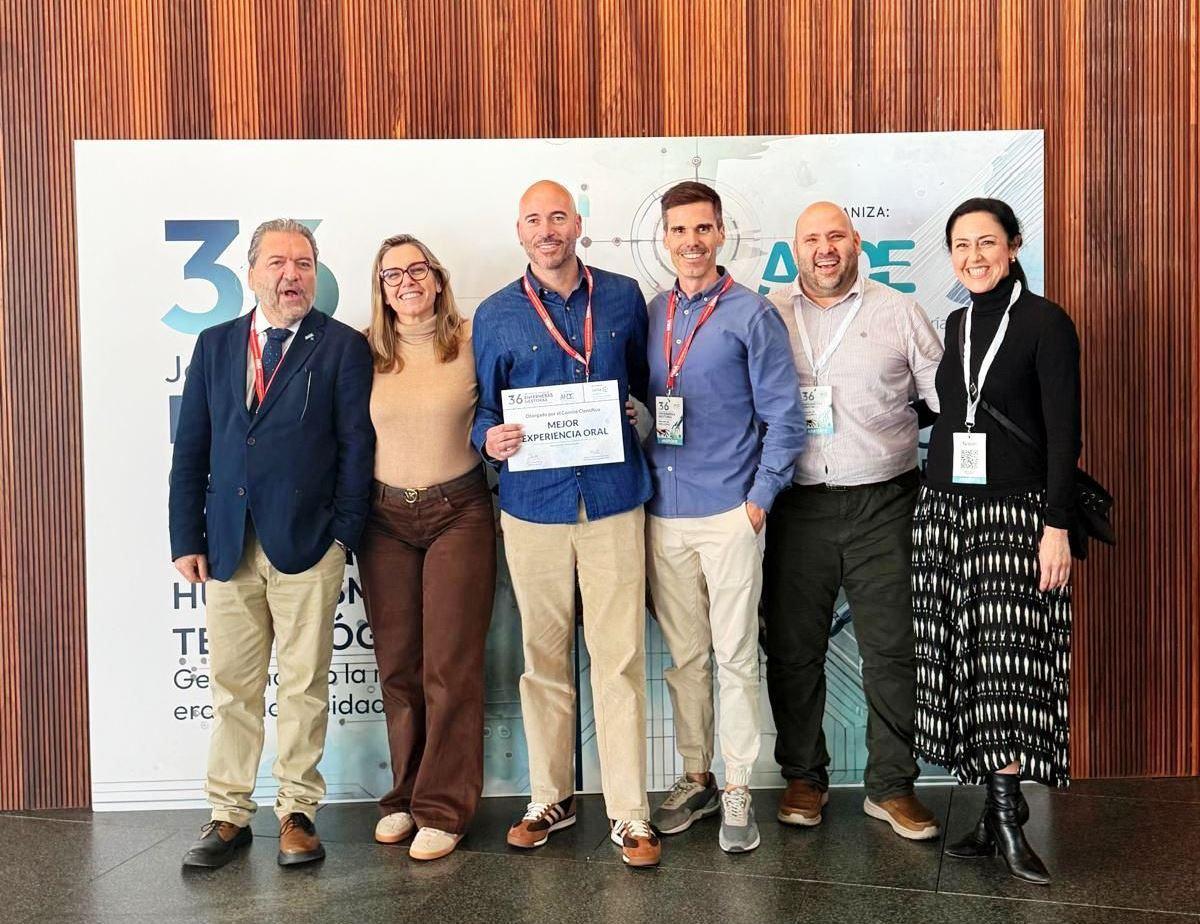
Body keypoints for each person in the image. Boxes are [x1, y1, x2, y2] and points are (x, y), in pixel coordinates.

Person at [169, 219, 374, 868]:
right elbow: (193, 448)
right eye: (280, 263)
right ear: (251, 273)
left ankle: (297, 813)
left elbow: (356, 449)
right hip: (229, 545)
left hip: (308, 544)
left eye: (305, 263)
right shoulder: (215, 345)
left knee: (306, 684)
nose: (293, 275)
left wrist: (342, 535)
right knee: (233, 687)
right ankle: (228, 816)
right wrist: (186, 535)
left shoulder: (341, 346)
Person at [471, 180, 660, 867]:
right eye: (533, 219)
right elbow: (484, 411)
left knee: (620, 660)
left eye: (557, 216)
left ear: (578, 223)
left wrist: (637, 419)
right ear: (519, 232)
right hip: (533, 508)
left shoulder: (621, 297)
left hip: (612, 499)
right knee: (543, 661)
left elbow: (643, 385)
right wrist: (487, 440)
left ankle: (631, 813)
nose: (547, 229)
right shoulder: (494, 314)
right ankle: (549, 797)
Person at [763, 202, 944, 841]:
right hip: (797, 504)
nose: (825, 249)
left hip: (885, 503)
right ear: (795, 249)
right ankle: (804, 776)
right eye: (811, 238)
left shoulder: (899, 312)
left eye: (835, 235)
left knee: (891, 649)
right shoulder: (770, 315)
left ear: (856, 242)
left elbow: (946, 404)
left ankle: (892, 785)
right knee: (792, 650)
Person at [914, 197, 1080, 885]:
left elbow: (1066, 435)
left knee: (1009, 669)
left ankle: (1011, 817)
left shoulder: (1045, 323)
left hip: (1017, 519)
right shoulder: (954, 324)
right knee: (966, 667)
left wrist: (1058, 527)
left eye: (987, 242)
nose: (973, 256)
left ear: (1014, 245)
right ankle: (988, 812)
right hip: (947, 515)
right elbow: (952, 413)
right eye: (960, 245)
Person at [644, 181, 805, 853]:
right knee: (686, 659)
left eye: (702, 229)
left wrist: (758, 504)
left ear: (721, 234)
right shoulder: (651, 313)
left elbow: (785, 417)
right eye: (679, 230)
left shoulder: (751, 313)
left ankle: (739, 785)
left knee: (735, 657)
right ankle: (696, 775)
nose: (691, 242)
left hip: (730, 512)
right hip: (663, 511)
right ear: (665, 237)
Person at [356, 234, 496, 861]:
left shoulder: (472, 340)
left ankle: (444, 807)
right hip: (383, 520)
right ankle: (404, 797)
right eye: (392, 275)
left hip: (458, 512)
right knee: (399, 667)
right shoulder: (363, 352)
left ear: (438, 279)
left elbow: (498, 411)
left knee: (449, 667)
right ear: (381, 289)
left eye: (417, 270)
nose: (406, 282)